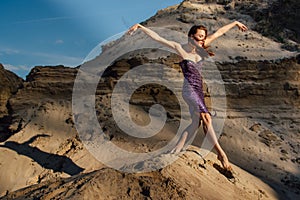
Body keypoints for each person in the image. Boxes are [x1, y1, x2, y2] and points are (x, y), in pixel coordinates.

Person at [128, 21, 248, 170]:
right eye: (199, 37)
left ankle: (177, 148)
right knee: (206, 117)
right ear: (191, 37)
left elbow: (219, 33)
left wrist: (235, 23)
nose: (202, 40)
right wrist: (140, 27)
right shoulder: (181, 48)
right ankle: (220, 153)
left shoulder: (202, 47)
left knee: (196, 122)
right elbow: (158, 38)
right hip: (189, 90)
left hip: (199, 90)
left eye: (203, 38)